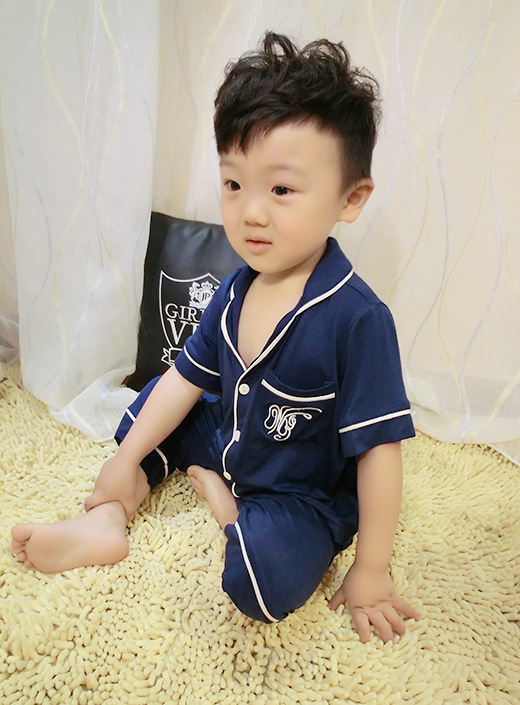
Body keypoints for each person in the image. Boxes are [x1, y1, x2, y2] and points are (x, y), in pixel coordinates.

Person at [12, 32, 420, 643]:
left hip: (298, 488)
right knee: (147, 410)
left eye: (281, 189)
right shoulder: (234, 290)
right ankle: (108, 520)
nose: (251, 211)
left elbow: (380, 450)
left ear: (351, 198)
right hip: (229, 433)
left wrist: (372, 569)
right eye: (234, 184)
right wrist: (121, 466)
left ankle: (228, 507)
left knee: (262, 581)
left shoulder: (358, 319)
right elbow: (185, 379)